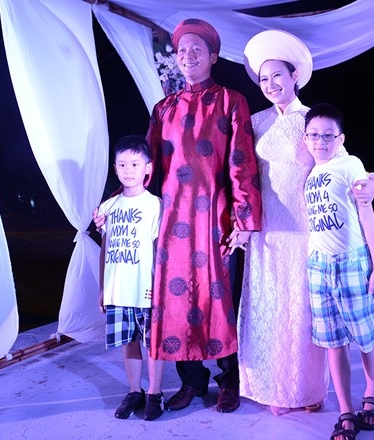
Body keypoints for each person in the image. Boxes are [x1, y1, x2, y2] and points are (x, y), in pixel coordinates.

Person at [238, 30, 374, 416]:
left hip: (307, 233)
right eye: (264, 79)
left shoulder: (311, 120)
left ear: (294, 75)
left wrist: (372, 183)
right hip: (268, 232)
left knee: (305, 316)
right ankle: (278, 391)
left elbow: (345, 163)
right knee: (272, 312)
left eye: (277, 76)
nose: (270, 85)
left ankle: (310, 390)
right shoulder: (256, 122)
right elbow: (242, 176)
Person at [146, 18, 262, 414]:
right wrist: (121, 205)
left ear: (213, 56)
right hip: (172, 222)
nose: (188, 56)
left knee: (221, 299)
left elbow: (241, 163)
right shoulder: (163, 109)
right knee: (177, 300)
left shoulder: (231, 101)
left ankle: (230, 380)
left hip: (217, 220)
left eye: (197, 49)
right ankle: (191, 381)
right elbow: (148, 169)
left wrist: (243, 221)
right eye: (182, 51)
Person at [303, 103, 374, 440]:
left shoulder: (350, 164)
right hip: (318, 266)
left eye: (328, 135)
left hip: (351, 262)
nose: (320, 141)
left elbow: (366, 214)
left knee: (365, 336)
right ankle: (345, 410)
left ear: (340, 139)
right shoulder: (311, 173)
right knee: (334, 343)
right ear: (305, 139)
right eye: (313, 135)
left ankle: (372, 393)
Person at [97, 135, 165, 421]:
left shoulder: (155, 205)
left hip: (146, 289)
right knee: (129, 342)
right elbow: (105, 249)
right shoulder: (107, 207)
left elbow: (159, 250)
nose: (128, 170)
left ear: (147, 168)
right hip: (118, 289)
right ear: (115, 168)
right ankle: (135, 391)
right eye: (122, 164)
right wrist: (103, 288)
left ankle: (155, 393)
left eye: (135, 164)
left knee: (153, 343)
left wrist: (161, 289)